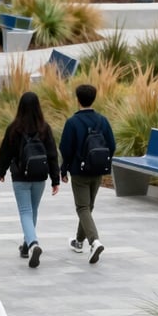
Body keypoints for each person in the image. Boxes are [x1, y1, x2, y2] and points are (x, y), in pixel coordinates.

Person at [0, 92, 60, 269]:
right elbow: (52, 155)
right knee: (33, 210)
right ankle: (26, 246)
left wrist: (1, 170)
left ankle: (32, 244)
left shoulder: (14, 128)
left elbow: (5, 152)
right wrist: (55, 179)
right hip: (40, 176)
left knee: (25, 211)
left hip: (20, 176)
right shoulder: (44, 128)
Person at [59, 83, 116, 265]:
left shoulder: (72, 122)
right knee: (88, 207)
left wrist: (64, 169)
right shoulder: (103, 121)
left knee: (83, 208)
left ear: (78, 100)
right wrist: (103, 162)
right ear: (94, 98)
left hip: (80, 171)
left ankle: (94, 241)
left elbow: (65, 148)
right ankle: (78, 242)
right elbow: (112, 145)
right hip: (98, 171)